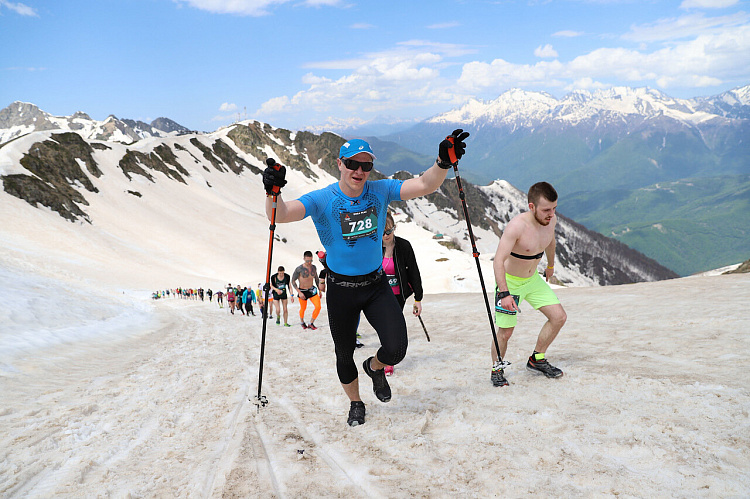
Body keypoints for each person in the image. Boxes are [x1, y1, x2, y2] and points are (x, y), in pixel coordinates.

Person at [262, 130, 470, 426]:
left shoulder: (381, 190)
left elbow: (425, 184)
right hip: (341, 290)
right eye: (352, 164)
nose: (359, 171)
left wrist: (442, 162)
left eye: (366, 166)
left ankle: (375, 368)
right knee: (344, 354)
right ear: (339, 164)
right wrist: (273, 192)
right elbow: (279, 216)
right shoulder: (322, 199)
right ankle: (356, 402)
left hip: (375, 285)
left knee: (396, 349)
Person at [491, 181, 567, 387]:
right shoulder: (517, 226)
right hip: (511, 283)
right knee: (506, 332)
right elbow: (498, 261)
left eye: (554, 208)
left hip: (532, 280)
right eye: (546, 210)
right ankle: (497, 369)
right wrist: (504, 293)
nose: (551, 214)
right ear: (531, 207)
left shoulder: (550, 221)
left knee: (559, 317)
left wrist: (550, 265)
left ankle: (537, 359)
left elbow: (550, 241)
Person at [381, 211, 424, 376]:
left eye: (389, 231)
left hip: (398, 295)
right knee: (385, 327)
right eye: (382, 232)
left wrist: (418, 298)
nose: (386, 235)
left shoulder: (404, 246)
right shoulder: (373, 247)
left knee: (391, 326)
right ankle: (386, 357)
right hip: (379, 294)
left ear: (395, 228)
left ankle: (388, 361)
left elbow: (414, 272)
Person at [292, 251, 322, 330]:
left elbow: (316, 279)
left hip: (312, 290)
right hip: (302, 291)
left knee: (318, 306)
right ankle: (302, 322)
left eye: (311, 261)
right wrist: (299, 292)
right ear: (304, 259)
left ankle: (311, 323)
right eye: (307, 261)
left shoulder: (314, 267)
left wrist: (320, 290)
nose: (309, 263)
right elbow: (293, 281)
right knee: (303, 308)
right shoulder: (299, 269)